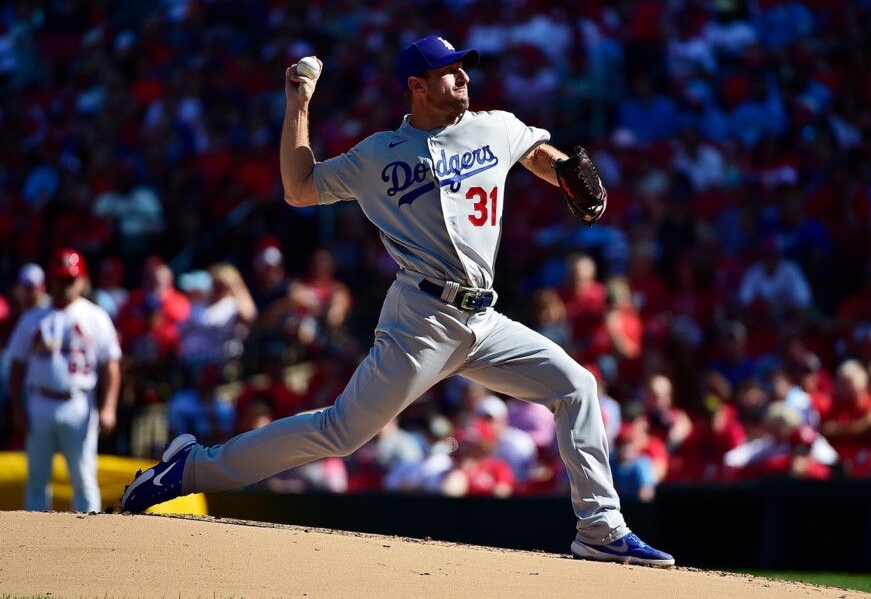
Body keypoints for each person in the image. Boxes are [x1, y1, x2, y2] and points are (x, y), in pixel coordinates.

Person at [119, 35, 674, 567]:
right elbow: (298, 187)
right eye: (448, 71)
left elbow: (533, 152)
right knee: (338, 432)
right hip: (422, 319)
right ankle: (190, 470)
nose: (462, 76)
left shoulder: (495, 126)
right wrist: (298, 104)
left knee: (576, 385)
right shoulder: (378, 154)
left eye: (463, 68)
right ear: (416, 86)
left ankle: (601, 531)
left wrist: (561, 173)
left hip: (483, 316)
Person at [6, 249, 122, 512]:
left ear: (82, 279)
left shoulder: (95, 316)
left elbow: (111, 365)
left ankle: (89, 539)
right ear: (51, 279)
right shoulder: (33, 318)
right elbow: (16, 366)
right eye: (61, 279)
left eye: (71, 279)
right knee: (37, 479)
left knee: (83, 478)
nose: (66, 285)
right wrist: (17, 408)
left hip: (79, 401)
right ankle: (34, 543)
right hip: (40, 400)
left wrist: (108, 407)